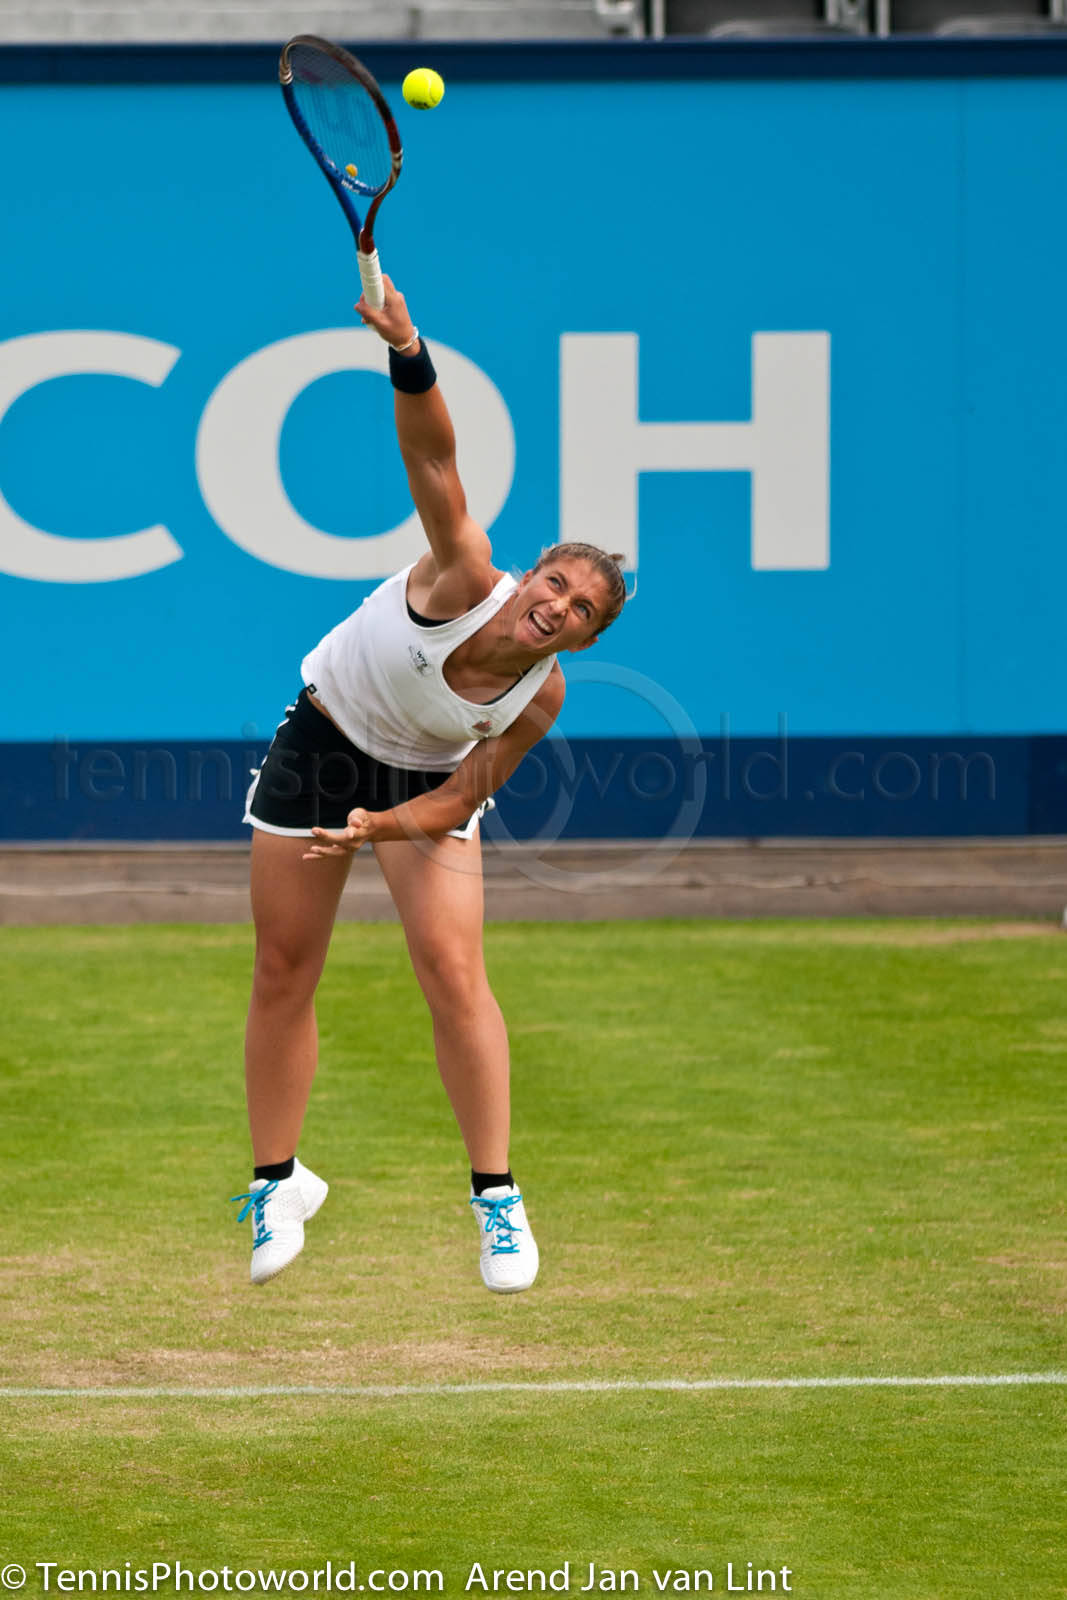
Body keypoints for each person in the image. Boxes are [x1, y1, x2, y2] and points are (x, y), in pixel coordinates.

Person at [230, 277, 627, 1294]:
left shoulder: (540, 701)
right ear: (534, 572)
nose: (558, 608)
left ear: (585, 634)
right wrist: (407, 349)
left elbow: (455, 803)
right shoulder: (462, 573)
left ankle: (496, 1198)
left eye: (580, 610)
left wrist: (376, 828)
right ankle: (277, 1180)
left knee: (453, 976)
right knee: (283, 966)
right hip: (322, 740)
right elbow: (435, 456)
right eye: (557, 583)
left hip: (423, 785)